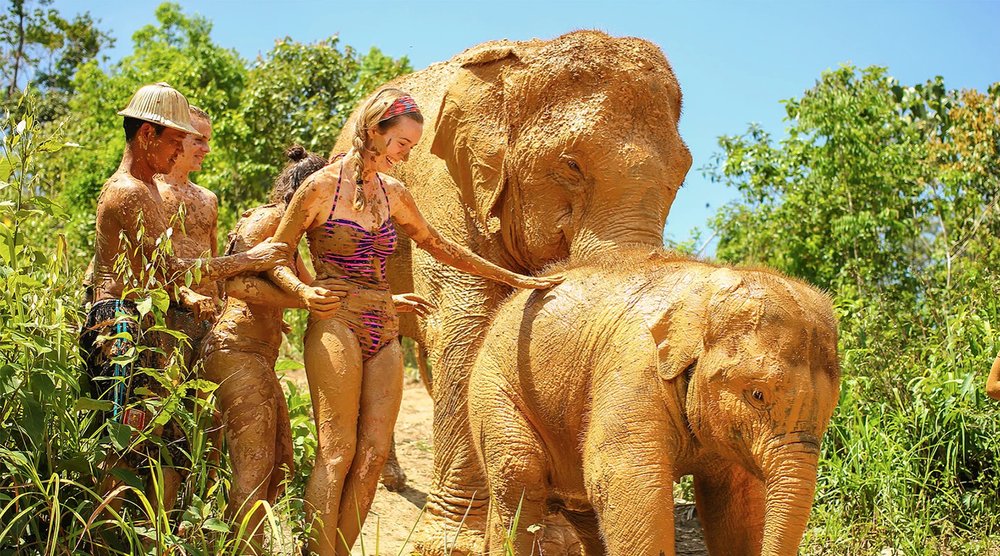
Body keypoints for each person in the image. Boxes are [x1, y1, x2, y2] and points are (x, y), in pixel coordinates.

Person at [266, 88, 563, 556]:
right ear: (373, 131)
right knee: (337, 450)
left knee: (372, 456)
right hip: (335, 322)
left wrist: (512, 278)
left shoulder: (396, 193)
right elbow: (276, 256)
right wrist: (303, 292)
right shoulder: (319, 188)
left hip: (383, 327)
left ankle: (339, 551)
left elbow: (441, 247)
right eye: (402, 143)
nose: (406, 155)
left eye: (411, 146)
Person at [80, 82, 289, 518]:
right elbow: (172, 269)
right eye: (176, 140)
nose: (179, 152)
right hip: (120, 325)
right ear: (146, 136)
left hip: (148, 320)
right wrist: (249, 259)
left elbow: (160, 273)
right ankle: (101, 540)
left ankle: (155, 534)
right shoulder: (131, 191)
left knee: (167, 441)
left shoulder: (147, 188)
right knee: (129, 445)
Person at [200, 146, 345, 552]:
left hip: (255, 355)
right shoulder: (269, 220)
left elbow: (316, 287)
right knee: (254, 466)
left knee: (277, 465)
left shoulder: (291, 230)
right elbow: (235, 285)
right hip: (235, 350)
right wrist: (302, 299)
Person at [156, 105, 221, 367]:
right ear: (175, 139)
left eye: (208, 141)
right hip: (164, 315)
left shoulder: (208, 198)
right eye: (199, 140)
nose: (206, 150)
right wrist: (181, 293)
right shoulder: (150, 192)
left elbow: (215, 259)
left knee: (202, 403)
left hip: (207, 317)